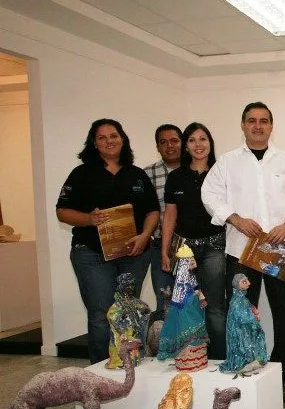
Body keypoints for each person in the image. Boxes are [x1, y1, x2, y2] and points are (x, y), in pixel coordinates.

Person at [201, 102, 285, 389]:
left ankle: (283, 370)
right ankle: (247, 364)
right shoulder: (227, 162)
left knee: (284, 312)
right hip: (242, 250)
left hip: (280, 248)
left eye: (264, 121)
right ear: (243, 125)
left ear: (272, 126)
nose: (258, 126)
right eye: (252, 120)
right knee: (242, 311)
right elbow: (209, 193)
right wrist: (235, 219)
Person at [56, 118, 159, 364]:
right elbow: (62, 211)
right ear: (94, 143)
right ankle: (101, 372)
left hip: (133, 255)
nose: (109, 141)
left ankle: (129, 365)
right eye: (102, 137)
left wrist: (145, 236)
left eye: (113, 135)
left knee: (128, 312)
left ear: (122, 139)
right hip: (92, 255)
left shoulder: (136, 175)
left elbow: (152, 211)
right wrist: (89, 219)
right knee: (101, 314)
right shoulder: (81, 174)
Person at [161, 122, 226, 360]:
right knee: (184, 304)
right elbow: (169, 215)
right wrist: (165, 251)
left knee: (216, 307)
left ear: (210, 143)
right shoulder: (176, 177)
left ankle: (219, 359)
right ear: (186, 146)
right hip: (183, 249)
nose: (198, 145)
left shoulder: (221, 172)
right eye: (192, 140)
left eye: (203, 139)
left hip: (215, 246)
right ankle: (189, 357)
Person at [144, 124, 182, 317]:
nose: (170, 146)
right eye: (163, 142)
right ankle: (167, 347)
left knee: (196, 300)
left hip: (194, 247)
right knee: (165, 301)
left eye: (174, 140)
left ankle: (196, 348)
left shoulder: (197, 170)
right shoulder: (147, 174)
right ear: (157, 147)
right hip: (161, 247)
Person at [157, 244, 209, 372]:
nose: (194, 263)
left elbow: (193, 290)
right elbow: (184, 298)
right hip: (185, 312)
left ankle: (197, 360)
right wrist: (197, 295)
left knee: (196, 332)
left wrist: (199, 296)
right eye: (191, 261)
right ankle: (188, 361)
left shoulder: (191, 277)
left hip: (193, 310)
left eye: (193, 260)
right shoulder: (180, 283)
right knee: (186, 334)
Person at [219, 273, 270, 374]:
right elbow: (241, 316)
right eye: (244, 282)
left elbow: (247, 307)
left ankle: (252, 360)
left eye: (247, 281)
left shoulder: (242, 298)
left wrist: (253, 310)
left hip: (245, 329)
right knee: (242, 346)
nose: (249, 283)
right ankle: (241, 363)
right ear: (238, 284)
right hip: (239, 331)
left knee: (254, 339)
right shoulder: (237, 300)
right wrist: (253, 318)